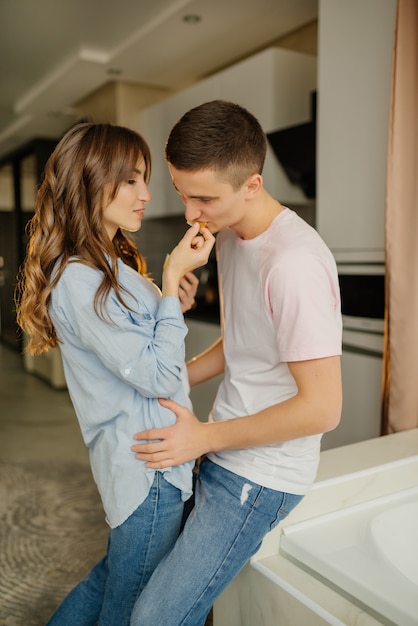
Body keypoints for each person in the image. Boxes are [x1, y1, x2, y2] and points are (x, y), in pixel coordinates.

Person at [130, 100, 343, 626]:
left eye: (204, 198)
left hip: (262, 477)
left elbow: (322, 410)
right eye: (182, 193)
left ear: (252, 184)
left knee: (153, 618)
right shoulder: (230, 239)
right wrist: (171, 379)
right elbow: (242, 342)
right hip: (226, 452)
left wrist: (202, 438)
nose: (190, 214)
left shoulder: (294, 263)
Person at [15, 122, 215, 626]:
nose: (146, 194)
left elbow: (147, 351)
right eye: (130, 180)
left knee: (110, 578)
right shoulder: (81, 279)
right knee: (128, 608)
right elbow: (158, 375)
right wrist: (168, 285)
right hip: (149, 471)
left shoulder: (108, 263)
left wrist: (171, 303)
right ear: (87, 181)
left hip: (149, 461)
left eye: (144, 179)